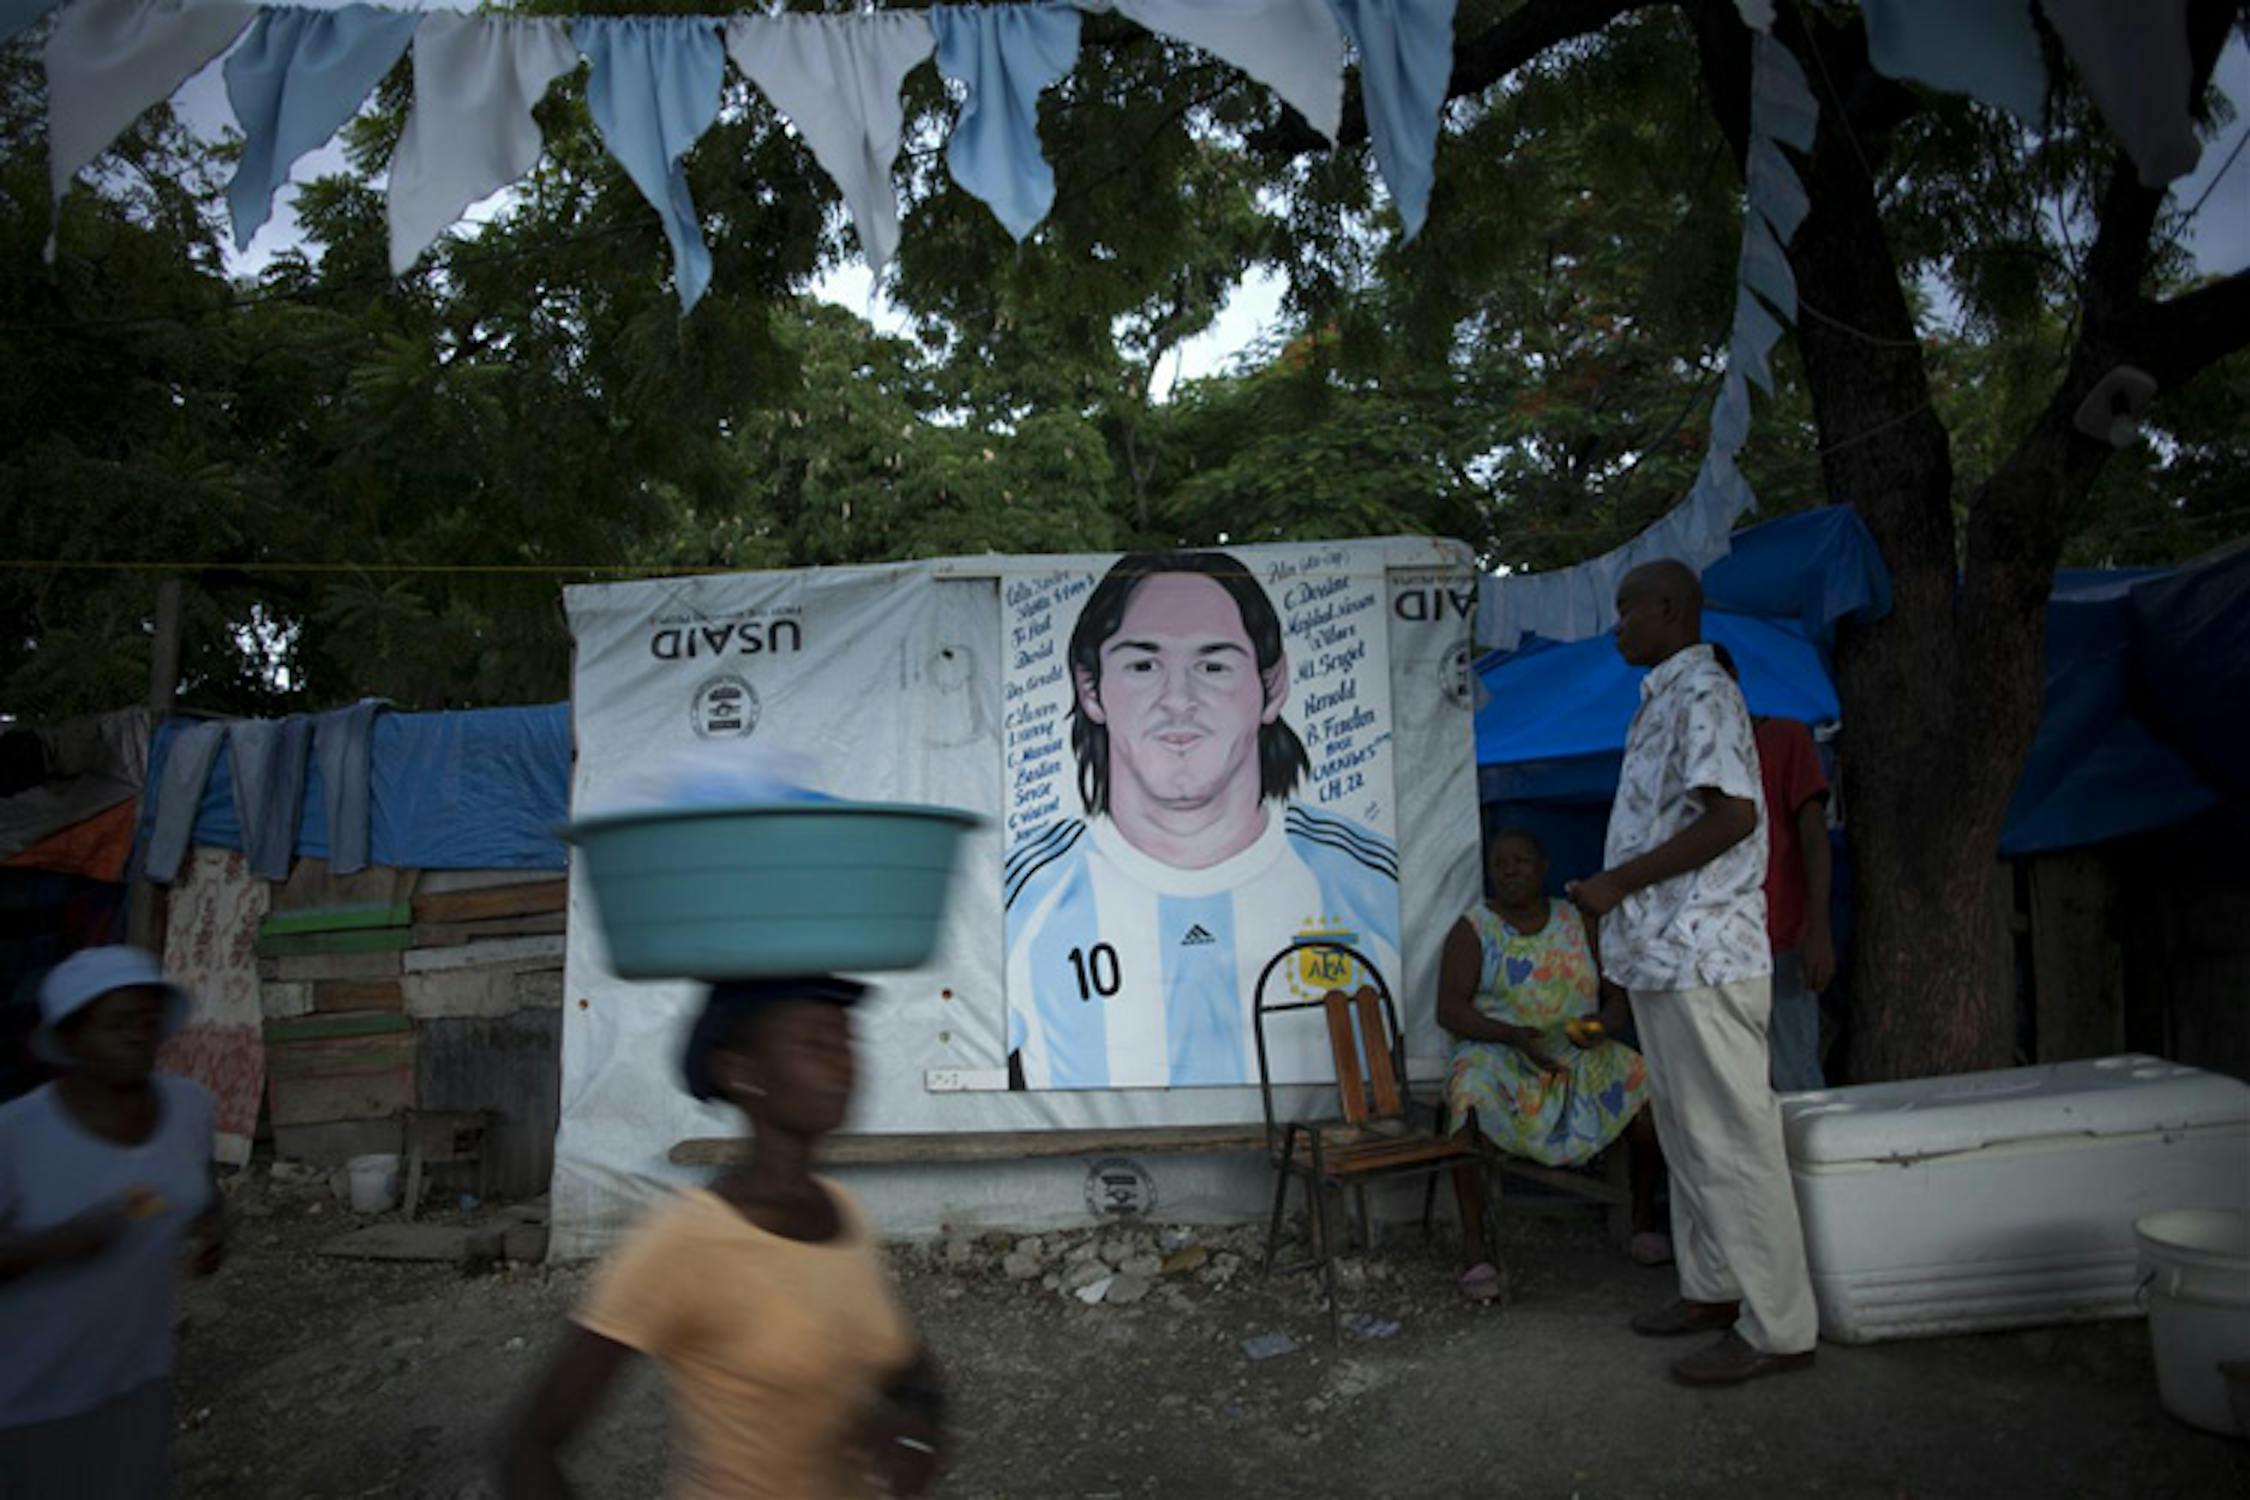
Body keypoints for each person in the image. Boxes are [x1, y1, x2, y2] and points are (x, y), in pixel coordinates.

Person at [503, 976, 944, 1500]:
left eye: (848, 1041)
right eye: (814, 1044)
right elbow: (529, 1447)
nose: (843, 1062)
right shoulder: (684, 1243)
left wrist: (913, 1436)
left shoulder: (842, 1215)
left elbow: (908, 1370)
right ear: (743, 1071)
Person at [1005, 550, 1400, 1089]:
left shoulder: (1372, 882)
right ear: (1091, 688)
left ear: (1273, 685)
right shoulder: (1020, 899)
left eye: (1213, 666)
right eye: (1143, 665)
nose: (1178, 700)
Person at [1566, 560, 1818, 1387]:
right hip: (1667, 958)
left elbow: (1735, 815)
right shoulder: (1664, 698)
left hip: (1707, 954)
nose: (1617, 627)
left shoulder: (1704, 691)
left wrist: (1618, 883)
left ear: (1668, 610)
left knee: (1735, 1143)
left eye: (1626, 611)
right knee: (1689, 1138)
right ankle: (1712, 1290)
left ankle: (1779, 1328)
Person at [0, 946, 225, 1496]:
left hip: (138, 1376)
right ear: (72, 1038)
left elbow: (200, 1187)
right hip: (29, 1397)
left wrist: (214, 1225)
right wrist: (52, 1245)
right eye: (117, 1023)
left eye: (148, 1021)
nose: (137, 1036)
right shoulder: (16, 1134)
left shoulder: (189, 1107)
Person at [1436, 829, 1666, 1300]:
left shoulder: (1579, 921)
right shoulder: (1473, 929)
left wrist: (1600, 1028)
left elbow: (1619, 999)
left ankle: (1643, 1221)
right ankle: (1476, 1250)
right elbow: (1450, 1011)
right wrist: (1513, 1035)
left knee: (1643, 1082)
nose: (1510, 870)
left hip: (1577, 1052)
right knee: (1468, 1097)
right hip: (1501, 1052)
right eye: (1500, 863)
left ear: (1543, 866)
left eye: (1521, 860)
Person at [1708, 642, 1835, 1092]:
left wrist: (1818, 930)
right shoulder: (1683, 757)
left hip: (1780, 938)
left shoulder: (1785, 738)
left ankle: (1812, 1163)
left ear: (1733, 680)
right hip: (1712, 951)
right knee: (1732, 1084)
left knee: (1792, 1073)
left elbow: (1814, 838)